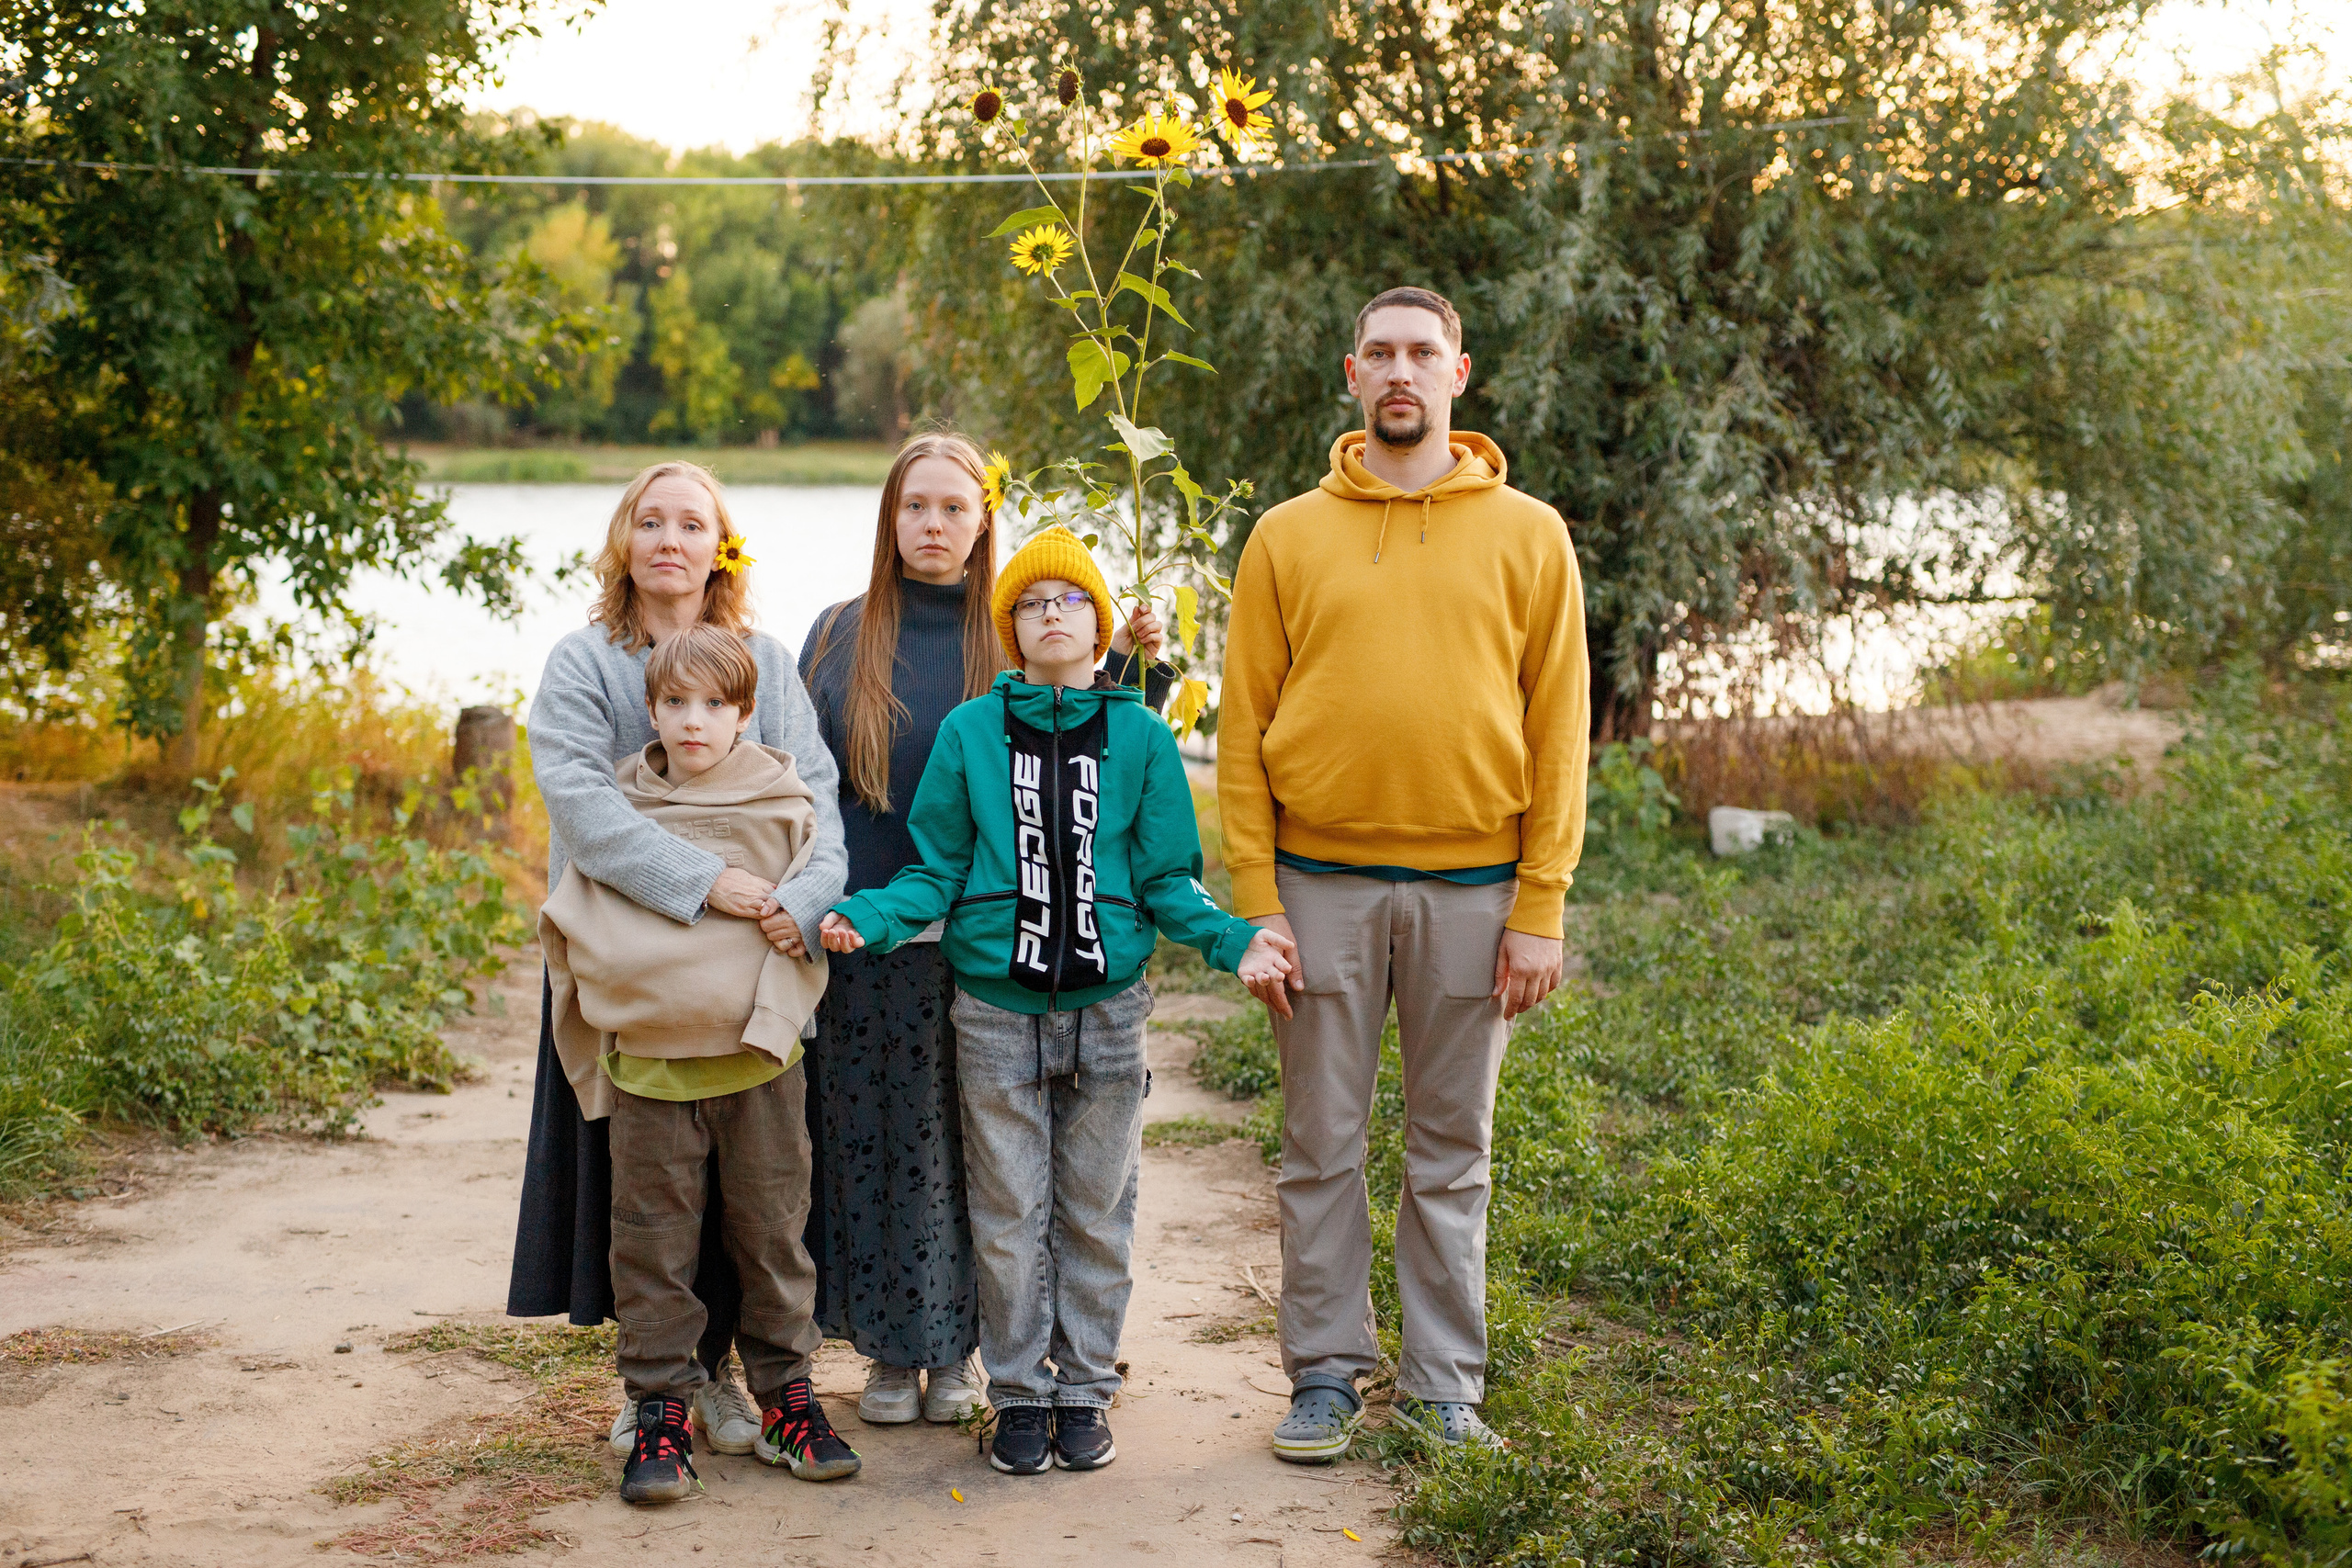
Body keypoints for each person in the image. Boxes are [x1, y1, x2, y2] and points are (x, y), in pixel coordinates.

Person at [819, 526, 1295, 1477]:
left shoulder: (1140, 736)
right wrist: (867, 915)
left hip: (1108, 1014)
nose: (1050, 615)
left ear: (1100, 624)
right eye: (1030, 604)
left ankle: (1083, 1387)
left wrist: (1235, 939)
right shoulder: (967, 734)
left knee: (1094, 1210)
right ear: (1011, 629)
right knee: (1007, 1214)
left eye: (1069, 600)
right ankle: (1018, 1394)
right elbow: (937, 869)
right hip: (994, 1015)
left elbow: (1168, 879)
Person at [1217, 286, 1590, 1461]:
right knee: (1320, 1144)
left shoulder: (1530, 534)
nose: (1399, 371)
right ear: (1351, 374)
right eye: (1379, 352)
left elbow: (1560, 728)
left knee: (1451, 1151)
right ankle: (1325, 1374)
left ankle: (1440, 1387)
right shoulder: (1286, 536)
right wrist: (1257, 903)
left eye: (1421, 352)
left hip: (1476, 893)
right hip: (1316, 886)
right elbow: (1241, 733)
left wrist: (1540, 904)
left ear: (1457, 374)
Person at [798, 433, 1170, 1427]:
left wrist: (1137, 662)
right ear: (890, 517)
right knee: (877, 1149)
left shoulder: (1010, 636)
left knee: (982, 1168)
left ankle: (965, 1351)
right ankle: (890, 1350)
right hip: (871, 932)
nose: (933, 524)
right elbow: (802, 784)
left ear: (983, 522)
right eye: (915, 505)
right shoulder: (836, 635)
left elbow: (1097, 750)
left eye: (954, 507)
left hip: (990, 945)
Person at [507, 460, 845, 1467]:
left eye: (691, 523)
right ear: (623, 541)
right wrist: (706, 883)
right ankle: (662, 1390)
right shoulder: (585, 663)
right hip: (637, 978)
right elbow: (584, 808)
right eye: (648, 521)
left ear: (719, 545)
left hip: (750, 980)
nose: (669, 539)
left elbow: (816, 800)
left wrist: (797, 902)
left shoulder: (764, 662)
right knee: (647, 1204)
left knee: (759, 1200)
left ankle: (746, 1380)